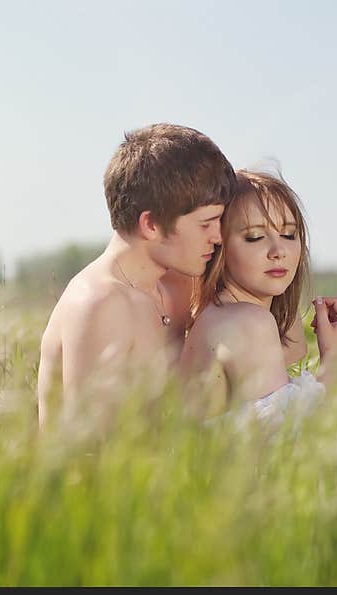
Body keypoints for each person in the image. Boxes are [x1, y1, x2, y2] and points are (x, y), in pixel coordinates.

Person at [37, 124, 242, 428]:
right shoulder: (100, 303)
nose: (218, 237)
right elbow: (87, 451)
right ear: (152, 225)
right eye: (206, 224)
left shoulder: (173, 288)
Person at [180, 169, 337, 424]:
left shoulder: (220, 315)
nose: (278, 251)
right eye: (255, 237)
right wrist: (334, 359)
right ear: (219, 247)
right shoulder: (247, 323)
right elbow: (288, 447)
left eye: (288, 234)